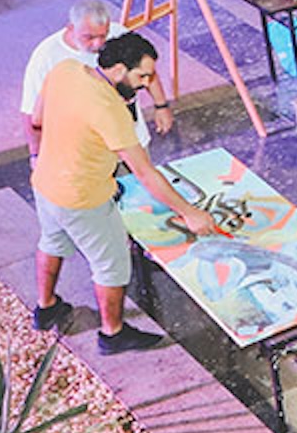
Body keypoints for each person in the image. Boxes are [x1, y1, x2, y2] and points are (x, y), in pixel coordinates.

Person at [31, 33, 216, 354]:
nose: (146, 84)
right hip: (83, 198)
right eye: (141, 76)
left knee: (52, 241)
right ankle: (113, 334)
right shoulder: (110, 109)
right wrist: (189, 212)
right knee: (111, 266)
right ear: (118, 69)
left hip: (45, 181)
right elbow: (144, 172)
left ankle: (45, 307)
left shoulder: (65, 70)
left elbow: (37, 120)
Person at [22, 0, 168, 158]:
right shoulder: (46, 56)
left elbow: (146, 70)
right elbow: (30, 113)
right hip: (88, 153)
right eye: (89, 37)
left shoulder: (119, 35)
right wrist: (35, 154)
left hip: (132, 141)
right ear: (71, 28)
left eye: (103, 35)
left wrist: (161, 106)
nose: (98, 44)